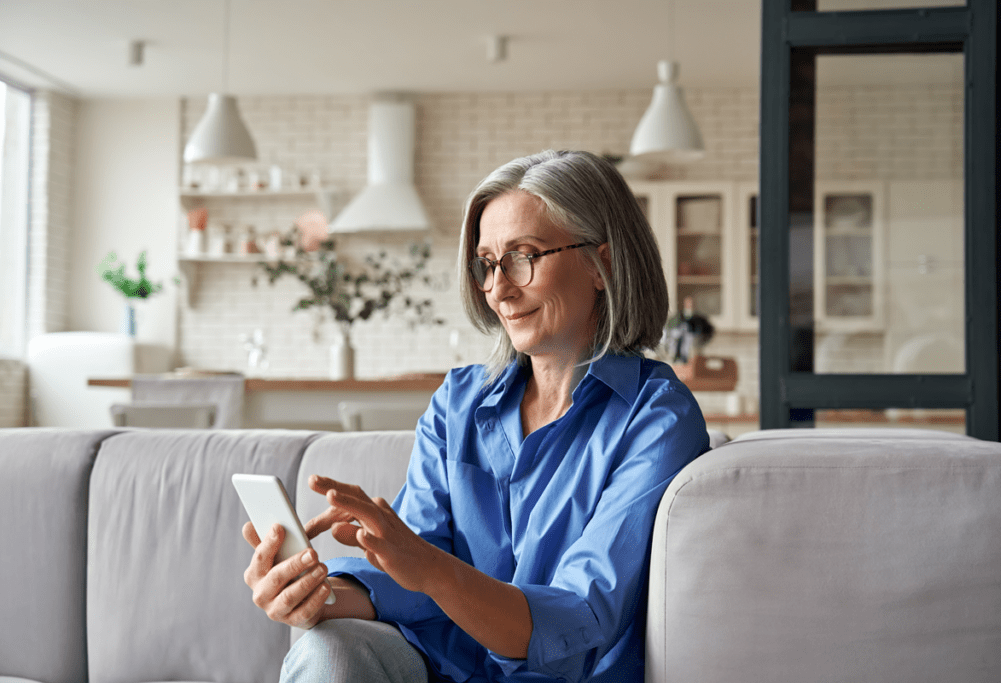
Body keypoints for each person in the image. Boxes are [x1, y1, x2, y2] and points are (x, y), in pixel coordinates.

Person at [242, 149, 710, 683]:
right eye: (487, 264)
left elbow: (580, 621)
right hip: (441, 670)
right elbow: (411, 575)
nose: (499, 289)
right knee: (327, 648)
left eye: (523, 256)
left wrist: (428, 569)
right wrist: (315, 595)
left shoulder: (655, 418)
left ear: (600, 264)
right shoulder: (458, 401)